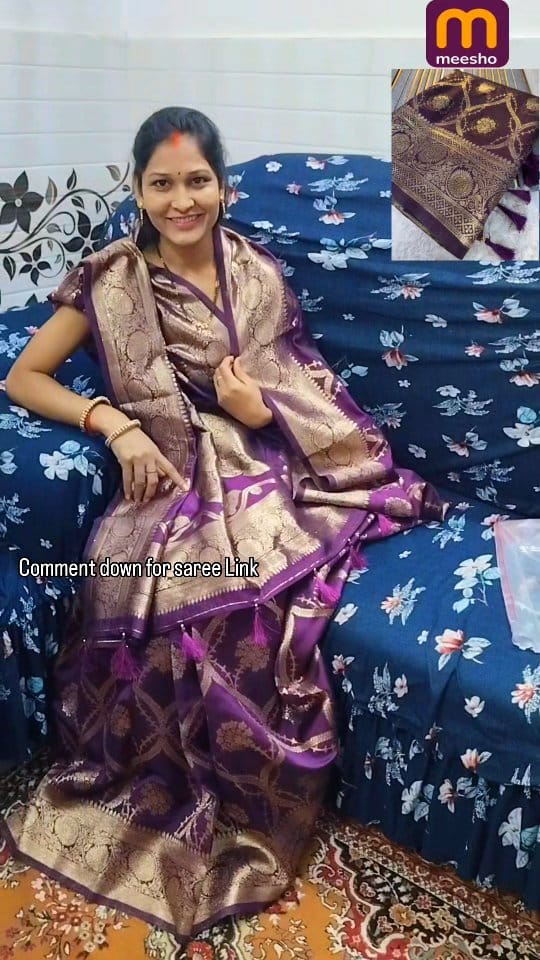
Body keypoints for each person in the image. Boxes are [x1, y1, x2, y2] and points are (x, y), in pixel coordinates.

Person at [2, 106, 446, 941]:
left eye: (197, 180)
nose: (182, 200)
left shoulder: (255, 271)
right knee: (185, 592)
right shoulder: (111, 281)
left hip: (267, 454)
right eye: (162, 183)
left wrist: (257, 409)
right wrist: (115, 424)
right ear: (138, 192)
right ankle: (188, 793)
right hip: (171, 462)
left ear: (223, 186)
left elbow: (299, 378)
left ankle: (246, 794)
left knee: (248, 596)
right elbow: (25, 376)